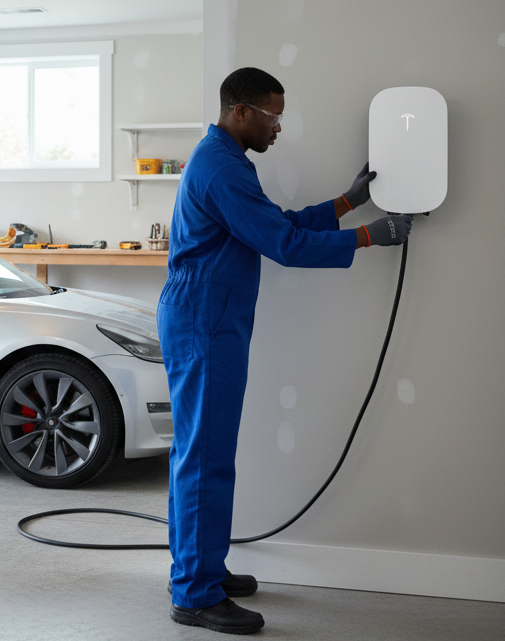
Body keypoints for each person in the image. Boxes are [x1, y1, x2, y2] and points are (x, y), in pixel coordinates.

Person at [158, 67, 413, 635]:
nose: (278, 128)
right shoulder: (221, 168)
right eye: (273, 117)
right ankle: (194, 593)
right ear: (241, 112)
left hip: (208, 317)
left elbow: (276, 223)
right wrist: (370, 235)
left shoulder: (225, 160)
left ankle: (200, 569)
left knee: (200, 453)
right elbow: (285, 244)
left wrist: (347, 202)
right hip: (204, 321)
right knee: (204, 457)